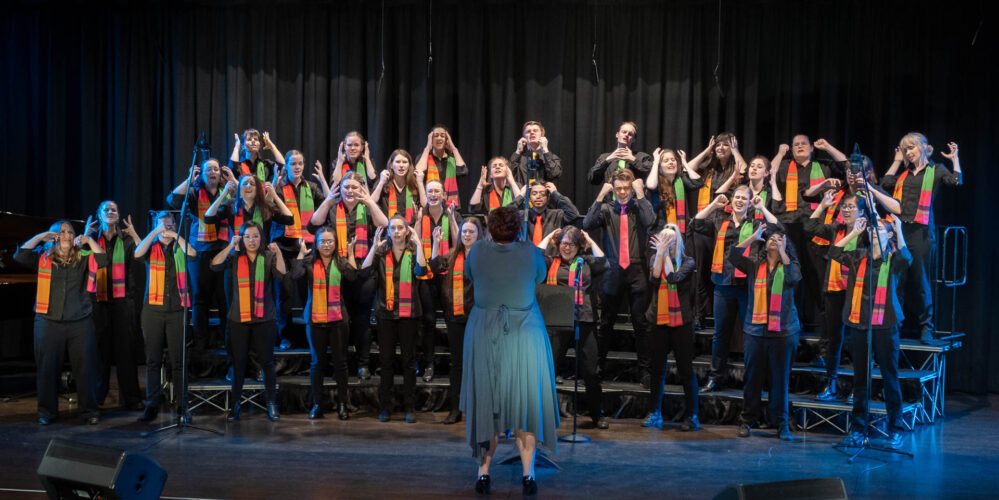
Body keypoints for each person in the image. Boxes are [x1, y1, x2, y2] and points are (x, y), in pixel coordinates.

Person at [461, 206, 558, 496]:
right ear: (518, 228)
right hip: (525, 333)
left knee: (487, 403)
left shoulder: (477, 251)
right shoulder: (530, 252)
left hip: (484, 331)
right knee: (525, 404)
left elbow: (469, 275)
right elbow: (539, 278)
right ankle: (528, 474)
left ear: (490, 228)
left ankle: (483, 473)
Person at [690, 185, 781, 392]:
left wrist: (762, 208)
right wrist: (714, 204)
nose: (739, 201)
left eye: (744, 198)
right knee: (721, 334)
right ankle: (716, 377)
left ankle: (754, 379)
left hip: (747, 285)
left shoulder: (757, 223)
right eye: (736, 197)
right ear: (731, 201)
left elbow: (778, 229)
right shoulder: (720, 221)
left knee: (752, 333)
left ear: (750, 203)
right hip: (723, 284)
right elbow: (695, 223)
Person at [16, 220, 106, 425]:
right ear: (54, 237)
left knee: (86, 369)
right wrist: (40, 237)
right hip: (48, 321)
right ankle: (47, 412)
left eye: (70, 232)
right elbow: (20, 255)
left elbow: (103, 259)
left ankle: (89, 411)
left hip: (80, 322)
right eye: (61, 232)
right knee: (47, 369)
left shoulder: (84, 257)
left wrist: (89, 240)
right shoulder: (43, 258)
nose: (66, 235)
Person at [832, 216, 911, 449]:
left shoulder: (893, 258)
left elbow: (907, 258)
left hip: (886, 324)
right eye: (874, 231)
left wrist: (898, 229)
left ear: (889, 236)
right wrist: (855, 232)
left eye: (882, 230)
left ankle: (896, 427)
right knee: (861, 378)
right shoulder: (858, 257)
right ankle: (858, 428)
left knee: (889, 375)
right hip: (861, 323)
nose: (876, 233)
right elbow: (835, 253)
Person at [880, 134, 961, 343]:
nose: (908, 152)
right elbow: (885, 182)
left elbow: (956, 181)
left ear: (924, 147)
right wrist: (897, 161)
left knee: (920, 281)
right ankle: (894, 327)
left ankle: (927, 329)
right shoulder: (904, 174)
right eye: (905, 149)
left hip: (921, 233)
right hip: (899, 231)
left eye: (911, 148)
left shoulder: (936, 170)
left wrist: (955, 159)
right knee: (897, 281)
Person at [309, 172, 389, 379]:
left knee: (362, 318)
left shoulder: (368, 206)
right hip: (340, 269)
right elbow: (313, 224)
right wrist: (327, 201)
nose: (350, 191)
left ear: (361, 188)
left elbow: (384, 224)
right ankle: (341, 363)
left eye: (354, 187)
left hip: (365, 267)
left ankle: (363, 363)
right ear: (340, 189)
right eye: (346, 187)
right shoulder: (334, 208)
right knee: (341, 320)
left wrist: (370, 201)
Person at [582, 169, 656, 386]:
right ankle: (599, 366)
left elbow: (650, 221)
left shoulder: (638, 207)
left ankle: (645, 371)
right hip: (612, 269)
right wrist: (599, 195)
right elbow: (586, 224)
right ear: (613, 189)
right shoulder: (606, 209)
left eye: (626, 188)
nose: (622, 192)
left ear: (631, 187)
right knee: (605, 323)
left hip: (637, 269)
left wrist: (640, 194)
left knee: (640, 323)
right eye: (618, 188)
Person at [210, 222, 289, 422]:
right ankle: (236, 404)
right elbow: (214, 265)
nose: (252, 240)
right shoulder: (236, 257)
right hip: (239, 319)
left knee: (267, 363)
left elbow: (281, 275)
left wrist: (279, 253)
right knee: (239, 364)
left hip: (265, 319)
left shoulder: (268, 257)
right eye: (247, 237)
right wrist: (230, 245)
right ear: (242, 240)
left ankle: (271, 403)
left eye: (255, 236)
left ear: (261, 238)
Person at [729, 226, 801, 441]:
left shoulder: (791, 263)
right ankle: (747, 420)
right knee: (752, 379)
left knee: (780, 380)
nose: (774, 240)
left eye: (779, 238)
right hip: (756, 330)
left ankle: (781, 423)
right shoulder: (755, 264)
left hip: (784, 331)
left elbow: (793, 278)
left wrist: (784, 251)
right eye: (771, 238)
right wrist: (753, 237)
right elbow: (733, 255)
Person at [770, 136, 848, 332]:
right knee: (792, 279)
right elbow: (769, 172)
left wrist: (828, 146)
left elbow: (846, 165)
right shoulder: (785, 165)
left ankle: (825, 331)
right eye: (795, 144)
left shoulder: (822, 166)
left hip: (816, 228)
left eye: (803, 143)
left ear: (812, 148)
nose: (799, 147)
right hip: (789, 227)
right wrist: (780, 153)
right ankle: (794, 325)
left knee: (818, 278)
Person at [537, 226, 608, 429]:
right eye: (564, 243)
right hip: (556, 320)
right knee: (549, 368)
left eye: (572, 244)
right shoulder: (551, 261)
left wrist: (590, 240)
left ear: (579, 246)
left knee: (590, 370)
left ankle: (597, 414)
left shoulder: (586, 262)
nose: (567, 248)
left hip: (583, 319)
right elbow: (534, 255)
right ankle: (543, 413)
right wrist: (549, 236)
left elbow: (604, 262)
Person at [361, 215, 428, 423]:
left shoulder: (414, 250)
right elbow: (363, 271)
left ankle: (410, 407)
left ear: (407, 231)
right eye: (393, 228)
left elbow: (422, 271)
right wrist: (373, 246)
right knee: (386, 362)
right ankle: (385, 407)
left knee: (409, 362)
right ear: (388, 231)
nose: (397, 231)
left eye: (401, 228)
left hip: (409, 313)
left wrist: (420, 245)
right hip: (386, 313)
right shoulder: (382, 252)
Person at [134, 212, 197, 423]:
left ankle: (182, 406)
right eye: (162, 226)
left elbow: (193, 253)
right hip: (153, 310)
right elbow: (136, 254)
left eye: (169, 226)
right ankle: (151, 405)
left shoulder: (180, 246)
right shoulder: (151, 248)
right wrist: (156, 232)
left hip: (177, 309)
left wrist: (175, 234)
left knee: (179, 361)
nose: (166, 231)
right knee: (152, 360)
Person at [290, 227, 358, 420]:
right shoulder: (309, 263)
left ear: (335, 244)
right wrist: (301, 254)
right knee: (317, 363)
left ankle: (343, 404)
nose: (326, 245)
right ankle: (317, 404)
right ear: (316, 244)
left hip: (338, 319)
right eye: (322, 241)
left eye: (330, 241)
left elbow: (353, 277)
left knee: (340, 364)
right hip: (315, 319)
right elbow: (294, 276)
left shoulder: (341, 262)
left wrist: (351, 254)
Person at [167, 158, 233, 351]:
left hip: (223, 251)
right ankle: (201, 342)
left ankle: (227, 340)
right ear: (202, 175)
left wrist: (234, 182)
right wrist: (189, 179)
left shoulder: (227, 193)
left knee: (224, 298)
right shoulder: (195, 193)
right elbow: (172, 200)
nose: (212, 172)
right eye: (208, 169)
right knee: (199, 298)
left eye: (215, 169)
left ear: (220, 174)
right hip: (199, 251)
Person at [86, 200, 143, 411]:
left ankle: (132, 399)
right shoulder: (92, 239)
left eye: (114, 210)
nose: (110, 212)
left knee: (126, 352)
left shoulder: (127, 239)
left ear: (118, 216)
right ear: (99, 215)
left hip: (122, 301)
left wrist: (135, 233)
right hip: (97, 302)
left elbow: (142, 256)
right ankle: (97, 399)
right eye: (106, 210)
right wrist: (85, 235)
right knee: (100, 353)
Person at [642, 224, 700, 431]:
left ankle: (693, 415)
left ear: (678, 241)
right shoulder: (655, 257)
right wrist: (660, 253)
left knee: (686, 370)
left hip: (681, 322)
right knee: (657, 369)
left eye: (671, 239)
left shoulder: (688, 261)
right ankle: (654, 412)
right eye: (663, 239)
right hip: (658, 319)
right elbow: (656, 277)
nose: (667, 242)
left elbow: (673, 277)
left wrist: (664, 252)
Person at [270, 150, 326, 349]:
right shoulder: (278, 188)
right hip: (284, 247)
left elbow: (328, 204)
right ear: (286, 165)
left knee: (308, 292)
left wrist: (324, 180)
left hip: (307, 246)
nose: (297, 167)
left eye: (300, 163)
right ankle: (284, 336)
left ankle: (309, 334)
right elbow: (271, 211)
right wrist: (275, 184)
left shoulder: (311, 187)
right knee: (284, 293)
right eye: (293, 163)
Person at [684, 133, 741, 328]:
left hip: (725, 225)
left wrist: (736, 151)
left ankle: (719, 317)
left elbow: (748, 171)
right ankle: (699, 315)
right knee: (700, 271)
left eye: (725, 145)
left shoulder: (736, 169)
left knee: (720, 270)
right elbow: (687, 169)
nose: (720, 148)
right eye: (718, 145)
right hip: (704, 223)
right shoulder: (709, 168)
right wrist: (707, 150)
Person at [431, 217, 482, 425]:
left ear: (479, 234)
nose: (467, 235)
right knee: (457, 365)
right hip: (455, 317)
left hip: (479, 317)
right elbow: (434, 269)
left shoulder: (484, 258)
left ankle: (480, 410)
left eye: (471, 231)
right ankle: (455, 409)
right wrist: (435, 243)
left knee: (479, 365)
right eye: (464, 232)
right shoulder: (453, 256)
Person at [413, 183, 462, 383]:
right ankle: (429, 364)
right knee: (429, 321)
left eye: (437, 191)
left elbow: (459, 241)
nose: (433, 195)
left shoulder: (452, 214)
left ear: (443, 194)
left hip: (447, 274)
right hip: (425, 274)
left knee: (453, 319)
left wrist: (451, 218)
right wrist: (417, 220)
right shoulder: (420, 215)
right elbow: (412, 240)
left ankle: (457, 364)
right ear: (425, 194)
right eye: (429, 191)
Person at [644, 148, 703, 234]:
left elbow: (698, 182)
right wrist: (656, 162)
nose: (671, 162)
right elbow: (651, 185)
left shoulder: (681, 180)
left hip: (681, 233)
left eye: (673, 160)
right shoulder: (657, 181)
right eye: (666, 161)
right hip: (659, 233)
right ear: (660, 167)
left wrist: (685, 164)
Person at [415, 125, 469, 208]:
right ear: (431, 139)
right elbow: (418, 172)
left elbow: (463, 171)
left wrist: (454, 149)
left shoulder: (453, 158)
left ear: (447, 140)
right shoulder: (424, 157)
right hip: (429, 204)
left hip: (451, 206)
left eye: (442, 136)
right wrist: (427, 148)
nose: (439, 138)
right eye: (436, 136)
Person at [588, 121, 653, 187]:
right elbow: (593, 179)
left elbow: (652, 175)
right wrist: (607, 161)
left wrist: (633, 160)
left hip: (633, 196)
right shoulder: (604, 157)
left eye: (630, 134)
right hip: (611, 196)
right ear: (617, 134)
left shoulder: (643, 157)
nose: (626, 135)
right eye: (624, 132)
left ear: (634, 139)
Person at [372, 149, 427, 227]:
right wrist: (381, 182)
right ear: (391, 165)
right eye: (397, 162)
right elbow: (371, 203)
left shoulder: (415, 183)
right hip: (388, 231)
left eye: (405, 162)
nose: (401, 165)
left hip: (410, 230)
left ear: (409, 165)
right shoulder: (384, 182)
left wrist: (420, 183)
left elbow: (425, 205)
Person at [525, 181, 581, 246]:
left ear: (548, 196)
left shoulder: (556, 215)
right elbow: (510, 214)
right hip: (527, 255)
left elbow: (573, 214)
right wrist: (521, 196)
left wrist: (555, 193)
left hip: (550, 256)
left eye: (542, 194)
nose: (538, 196)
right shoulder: (523, 215)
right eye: (534, 193)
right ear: (529, 197)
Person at [510, 121, 562, 185]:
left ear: (542, 135)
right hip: (523, 193)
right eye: (528, 131)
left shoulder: (551, 157)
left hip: (543, 194)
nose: (532, 133)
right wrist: (518, 151)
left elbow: (554, 174)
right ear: (524, 136)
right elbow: (508, 175)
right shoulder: (518, 158)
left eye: (535, 130)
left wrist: (545, 150)